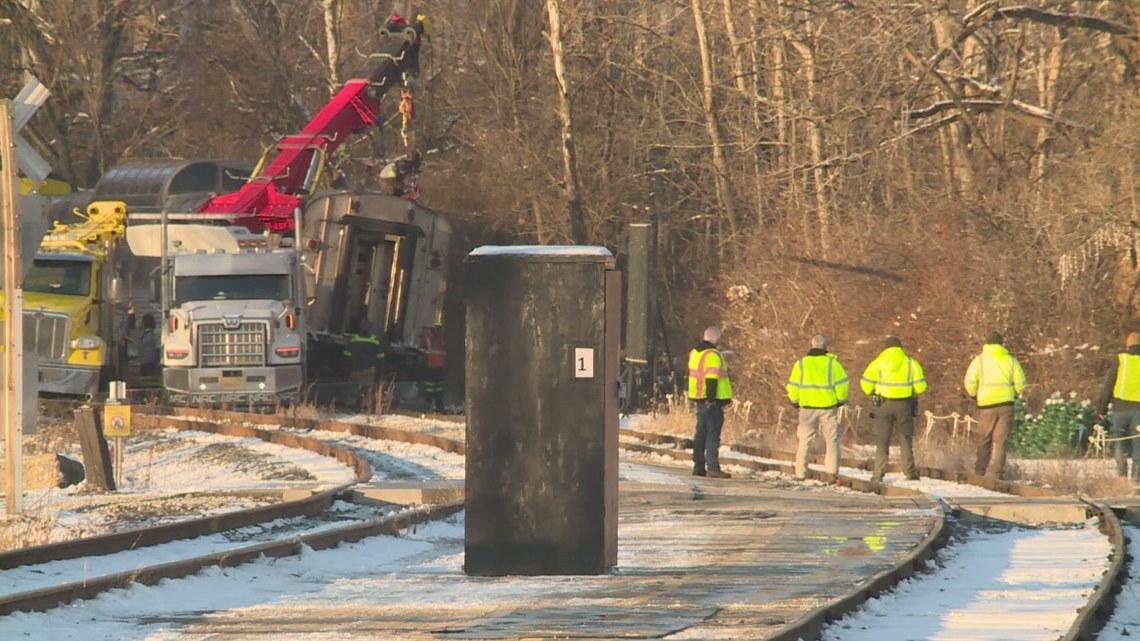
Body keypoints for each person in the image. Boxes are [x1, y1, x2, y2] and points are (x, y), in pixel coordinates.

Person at [860, 335, 927, 482]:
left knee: (882, 441)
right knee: (905, 439)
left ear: (885, 348)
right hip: (904, 405)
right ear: (900, 348)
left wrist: (874, 392)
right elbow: (921, 387)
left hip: (884, 405)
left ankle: (878, 474)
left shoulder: (877, 363)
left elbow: (865, 385)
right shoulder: (910, 363)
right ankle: (910, 473)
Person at [964, 331, 1027, 479]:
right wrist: (1015, 394)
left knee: (984, 438)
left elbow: (970, 381)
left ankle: (980, 471)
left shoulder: (979, 361)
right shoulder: (1011, 361)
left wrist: (974, 394)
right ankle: (998, 473)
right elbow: (1021, 383)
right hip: (1006, 404)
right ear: (1002, 344)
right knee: (1000, 440)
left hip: (986, 404)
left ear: (986, 344)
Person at [787, 334, 849, 481]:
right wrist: (840, 399)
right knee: (832, 440)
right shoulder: (833, 364)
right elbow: (843, 383)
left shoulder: (801, 364)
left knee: (804, 440)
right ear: (825, 347)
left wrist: (795, 400)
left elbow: (792, 384)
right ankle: (831, 473)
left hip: (807, 408)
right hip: (828, 407)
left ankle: (800, 473)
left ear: (811, 345)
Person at [687, 325, 733, 478]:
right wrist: (711, 399)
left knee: (700, 433)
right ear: (716, 338)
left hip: (699, 398)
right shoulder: (712, 355)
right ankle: (713, 467)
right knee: (712, 435)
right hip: (711, 401)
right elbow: (711, 379)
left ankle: (698, 466)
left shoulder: (695, 353)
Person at [1095, 332, 1140, 481]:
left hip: (1120, 408)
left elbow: (1109, 384)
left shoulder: (1121, 359)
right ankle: (1136, 479)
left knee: (1119, 441)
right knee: (1138, 444)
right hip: (1139, 410)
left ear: (1127, 345)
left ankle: (1121, 475)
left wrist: (1102, 407)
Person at [344, 319, 385, 409]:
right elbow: (380, 358)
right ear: (370, 329)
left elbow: (347, 356)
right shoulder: (376, 341)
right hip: (369, 369)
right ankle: (365, 407)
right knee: (367, 390)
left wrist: (347, 368)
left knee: (353, 388)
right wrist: (379, 372)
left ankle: (350, 407)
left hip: (355, 369)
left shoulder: (353, 339)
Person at [418, 322, 446, 413]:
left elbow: (422, 351)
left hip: (433, 367)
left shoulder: (431, 339)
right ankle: (436, 408)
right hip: (436, 367)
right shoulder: (440, 340)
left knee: (433, 389)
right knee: (435, 389)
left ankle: (431, 408)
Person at [138, 313, 159, 378]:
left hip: (143, 362)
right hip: (152, 362)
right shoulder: (156, 333)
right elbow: (158, 349)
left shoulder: (141, 335)